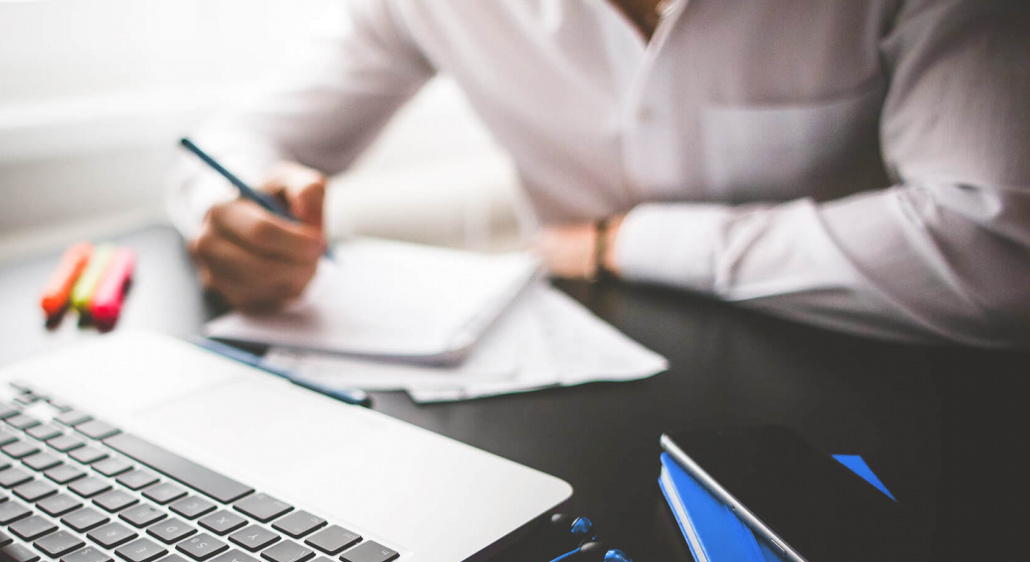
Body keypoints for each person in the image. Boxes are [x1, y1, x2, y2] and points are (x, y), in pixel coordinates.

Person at [167, 0, 1030, 347]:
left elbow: (993, 245)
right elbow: (236, 140)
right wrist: (229, 213)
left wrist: (628, 242)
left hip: (871, 376)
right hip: (577, 383)